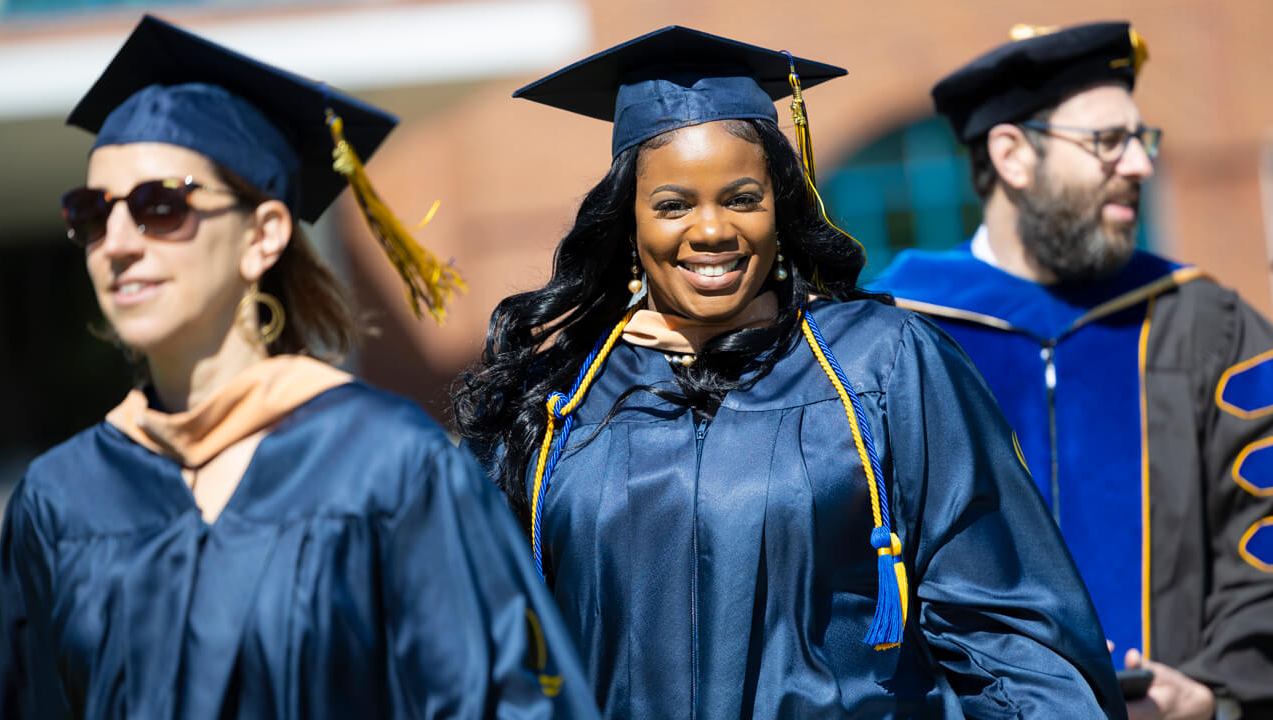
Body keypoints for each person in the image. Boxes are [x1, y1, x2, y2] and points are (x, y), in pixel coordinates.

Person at [454, 26, 1125, 718]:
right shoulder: (561, 403)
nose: (712, 230)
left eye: (742, 198)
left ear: (781, 207)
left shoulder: (881, 364)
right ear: (627, 222)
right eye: (673, 205)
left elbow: (1013, 632)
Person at [0, 15, 596, 719]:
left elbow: (511, 701)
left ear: (264, 234)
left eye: (161, 206)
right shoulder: (60, 501)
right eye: (93, 212)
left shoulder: (387, 465)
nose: (119, 242)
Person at [873, 21, 1273, 720]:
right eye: (1106, 142)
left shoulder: (1206, 326)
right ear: (1012, 155)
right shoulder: (898, 334)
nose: (1141, 165)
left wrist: (1218, 692)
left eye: (1140, 139)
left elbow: (1262, 526)